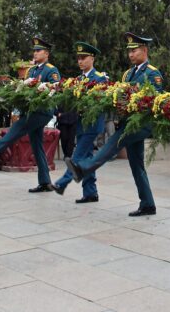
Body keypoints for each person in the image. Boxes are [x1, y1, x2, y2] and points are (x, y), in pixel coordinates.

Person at [65, 33, 163, 216]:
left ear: (145, 50)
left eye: (134, 51)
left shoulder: (152, 73)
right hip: (128, 122)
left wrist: (136, 98)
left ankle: (83, 169)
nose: (131, 55)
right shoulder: (128, 73)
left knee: (111, 145)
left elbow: (155, 99)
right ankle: (148, 204)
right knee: (136, 166)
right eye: (129, 52)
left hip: (141, 124)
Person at [0, 36, 61, 193]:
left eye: (38, 50)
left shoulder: (51, 70)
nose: (35, 53)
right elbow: (24, 89)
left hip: (42, 111)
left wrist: (42, 88)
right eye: (34, 51)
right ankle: (45, 181)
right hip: (31, 110)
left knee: (17, 129)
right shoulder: (31, 70)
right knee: (37, 145)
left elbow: (55, 89)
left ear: (46, 53)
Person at [49, 42, 108, 203]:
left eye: (84, 58)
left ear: (92, 58)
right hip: (81, 124)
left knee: (77, 156)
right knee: (87, 157)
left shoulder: (100, 79)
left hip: (93, 124)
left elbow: (99, 103)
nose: (80, 61)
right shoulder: (78, 79)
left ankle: (62, 183)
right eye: (78, 58)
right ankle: (90, 193)